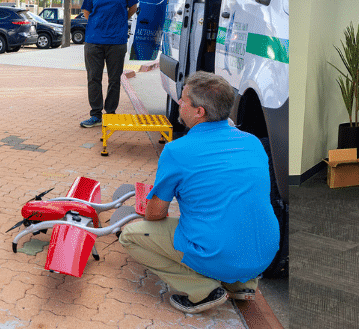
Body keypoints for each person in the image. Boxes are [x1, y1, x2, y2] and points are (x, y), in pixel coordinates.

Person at [118, 72, 280, 314]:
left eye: (183, 100)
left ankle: (203, 290)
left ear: (199, 112)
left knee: (130, 235)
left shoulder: (177, 150)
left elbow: (155, 214)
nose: (179, 104)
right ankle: (242, 285)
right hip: (264, 254)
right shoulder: (253, 143)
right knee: (230, 218)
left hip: (219, 253)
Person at [79, 0, 138, 128]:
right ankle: (96, 115)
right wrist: (99, 25)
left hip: (117, 41)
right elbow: (86, 11)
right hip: (94, 41)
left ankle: (110, 114)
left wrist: (119, 21)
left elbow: (133, 7)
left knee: (114, 79)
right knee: (93, 78)